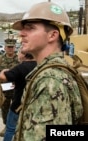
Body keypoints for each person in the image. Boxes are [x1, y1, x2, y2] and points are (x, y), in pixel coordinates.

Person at [12, 2, 83, 141]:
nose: (21, 33)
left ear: (52, 35)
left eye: (30, 28)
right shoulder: (50, 71)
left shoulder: (50, 79)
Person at [0, 50, 37, 141]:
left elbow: (2, 77)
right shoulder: (39, 65)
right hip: (33, 105)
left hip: (18, 106)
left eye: (19, 52)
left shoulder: (20, 67)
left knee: (10, 129)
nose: (18, 55)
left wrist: (3, 71)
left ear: (24, 55)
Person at [0, 38, 20, 136]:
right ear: (5, 48)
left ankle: (16, 126)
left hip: (16, 89)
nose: (10, 49)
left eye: (12, 47)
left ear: (14, 48)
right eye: (8, 47)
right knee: (4, 109)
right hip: (4, 90)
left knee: (16, 108)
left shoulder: (19, 59)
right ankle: (6, 126)